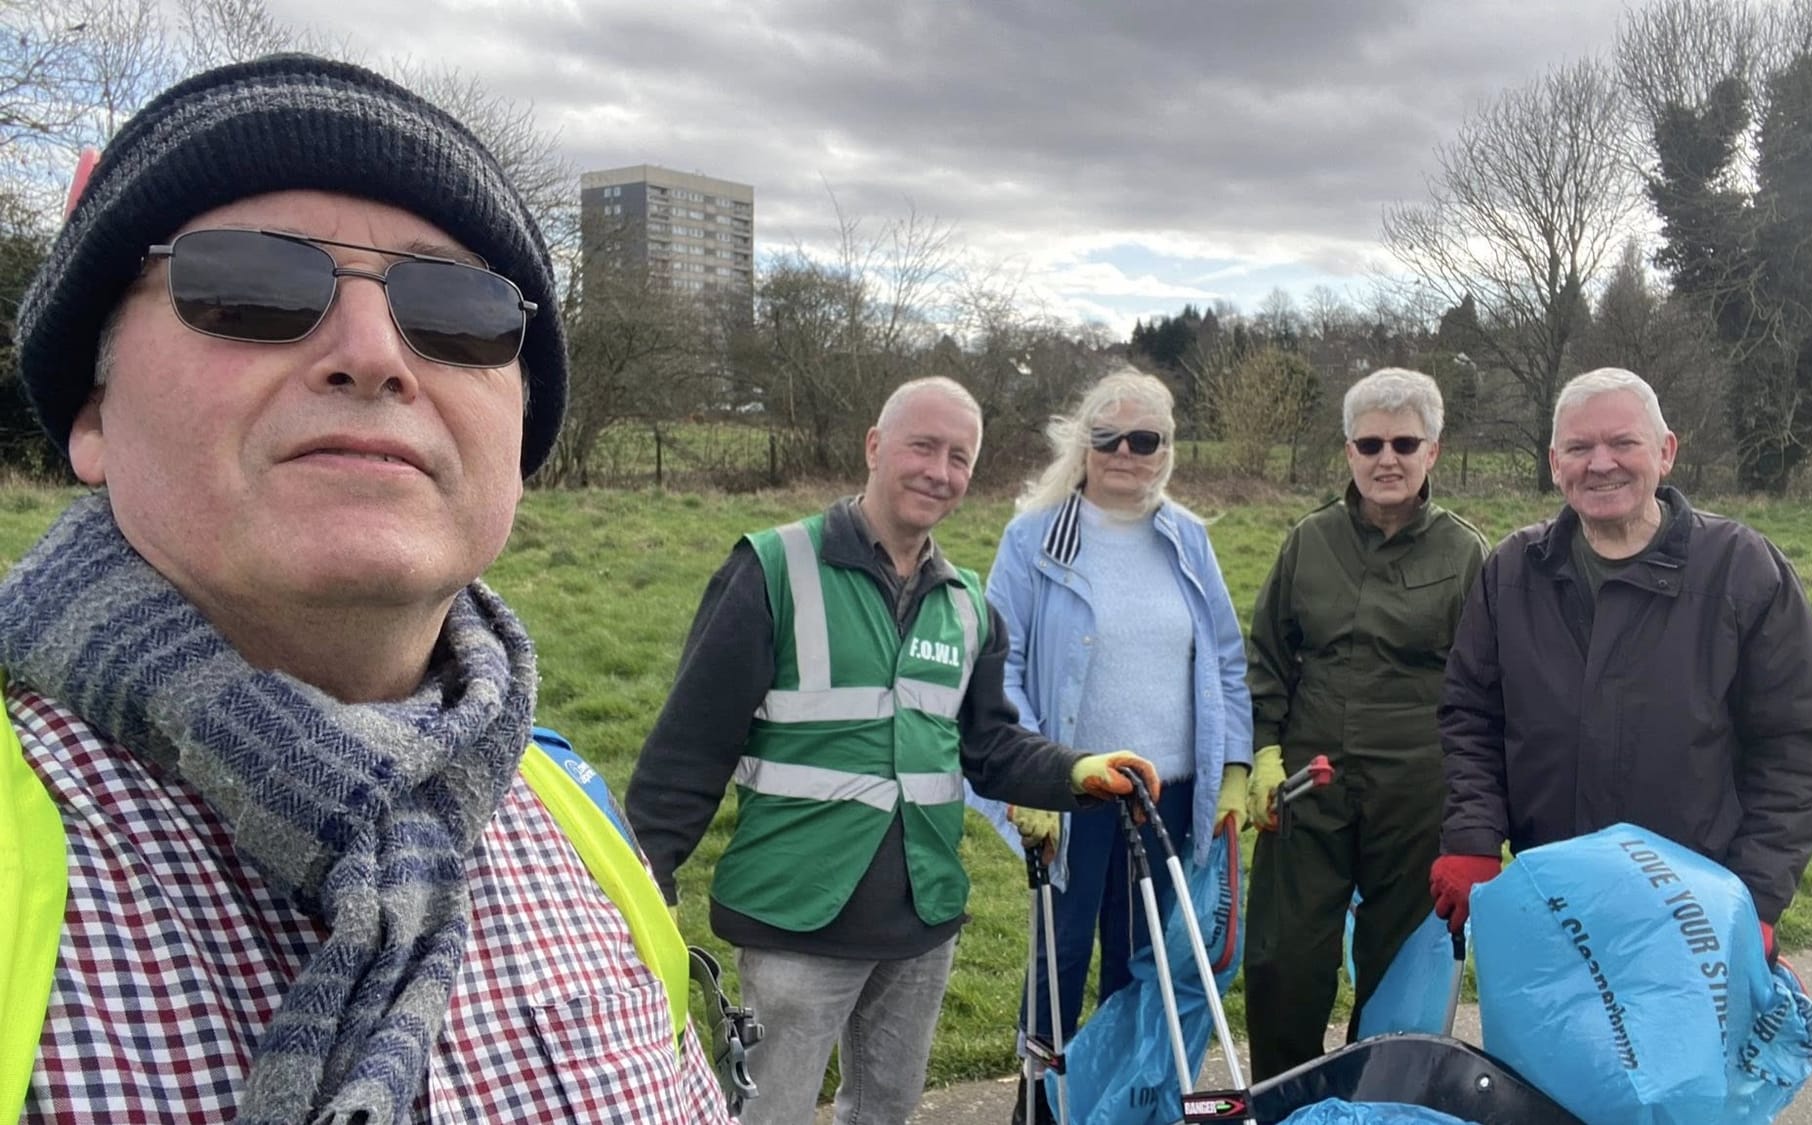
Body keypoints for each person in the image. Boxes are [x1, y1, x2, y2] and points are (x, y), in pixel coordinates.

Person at [0, 55, 734, 1123]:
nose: (374, 352)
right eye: (253, 283)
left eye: (458, 309)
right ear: (94, 414)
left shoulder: (576, 818)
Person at [624, 375, 1161, 1125]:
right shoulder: (775, 569)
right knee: (767, 1114)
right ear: (875, 446)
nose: (939, 471)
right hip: (795, 918)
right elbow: (688, 747)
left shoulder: (968, 604)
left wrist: (1075, 770)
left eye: (959, 457)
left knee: (885, 1110)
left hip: (920, 920)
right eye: (923, 445)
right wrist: (641, 882)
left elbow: (990, 744)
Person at [1432, 368, 1812, 960]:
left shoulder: (1741, 570)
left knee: (1680, 1057)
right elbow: (1470, 713)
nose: (1601, 463)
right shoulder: (1514, 570)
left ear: (1666, 451)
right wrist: (1472, 836)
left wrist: (1754, 897)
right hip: (1549, 900)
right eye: (1579, 447)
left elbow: (1796, 747)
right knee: (1541, 1056)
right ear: (1555, 463)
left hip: (1695, 913)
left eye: (1623, 443)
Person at [968, 368, 1252, 1123]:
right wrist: (1029, 784)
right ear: (1083, 443)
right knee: (1057, 963)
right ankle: (1045, 1107)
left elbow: (1225, 658)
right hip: (1073, 791)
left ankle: (1127, 1106)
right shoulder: (1034, 537)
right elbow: (1001, 667)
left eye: (1145, 438)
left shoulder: (1187, 537)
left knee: (1146, 968)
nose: (1126, 452)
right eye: (1109, 437)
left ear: (1166, 448)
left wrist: (1235, 769)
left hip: (1171, 794)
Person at [1241, 367, 1487, 1080]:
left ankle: (1379, 1098)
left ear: (1433, 451)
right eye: (1370, 442)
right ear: (1348, 451)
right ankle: (1287, 1098)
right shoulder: (1307, 542)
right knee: (1285, 958)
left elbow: (1485, 687)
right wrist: (1262, 752)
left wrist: (1476, 809)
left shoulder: (1466, 554)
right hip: (1308, 786)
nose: (1388, 458)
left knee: (1398, 964)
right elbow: (1267, 659)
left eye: (1405, 442)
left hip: (1415, 791)